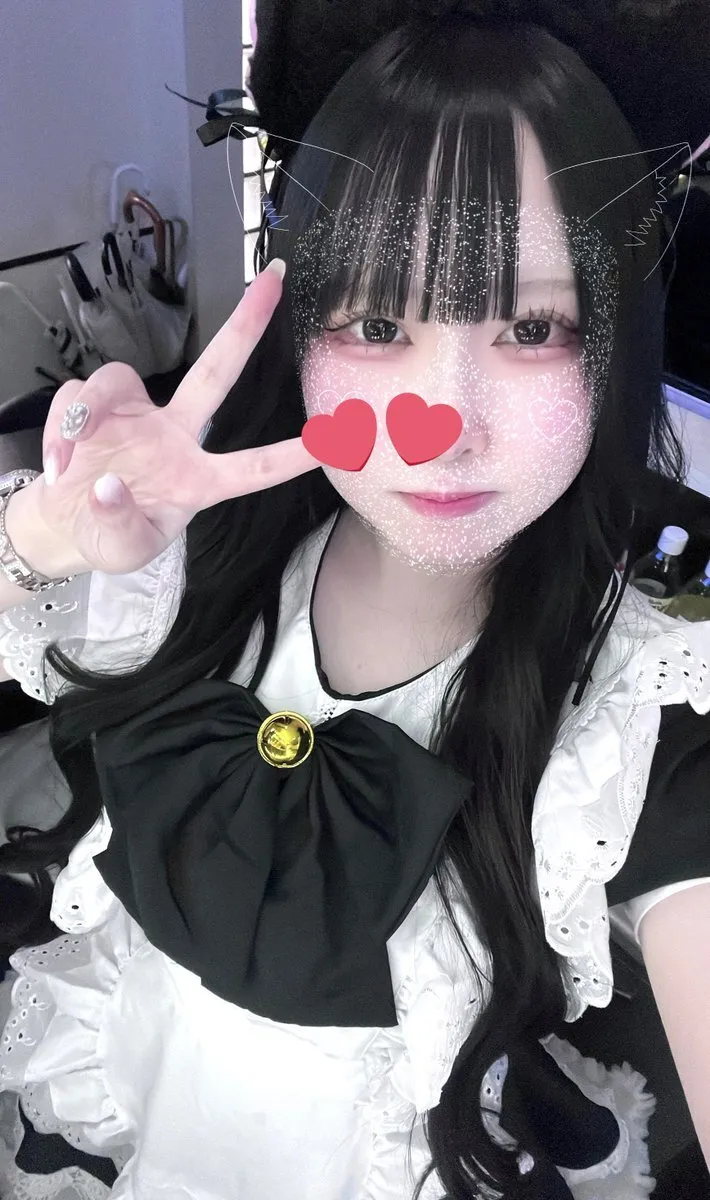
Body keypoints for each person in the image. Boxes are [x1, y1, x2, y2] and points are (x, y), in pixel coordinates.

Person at [0, 9, 709, 1199]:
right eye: (379, 324)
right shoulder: (191, 557)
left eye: (531, 327)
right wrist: (41, 541)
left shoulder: (633, 715)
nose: (447, 427)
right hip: (143, 1083)